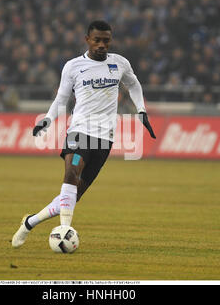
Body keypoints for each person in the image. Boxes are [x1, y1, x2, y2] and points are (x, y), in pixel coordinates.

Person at [12, 20, 156, 248]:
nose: (101, 45)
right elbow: (61, 99)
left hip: (105, 137)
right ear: (87, 39)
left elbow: (135, 85)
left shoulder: (120, 63)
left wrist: (141, 111)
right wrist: (48, 119)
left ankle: (30, 222)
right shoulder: (73, 66)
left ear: (110, 40)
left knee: (72, 197)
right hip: (79, 131)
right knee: (71, 173)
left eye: (106, 40)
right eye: (97, 40)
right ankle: (65, 230)